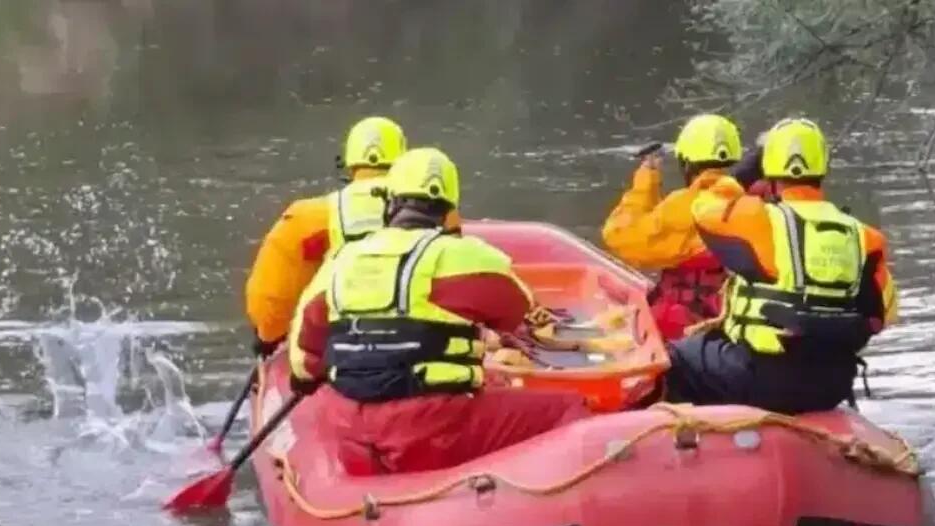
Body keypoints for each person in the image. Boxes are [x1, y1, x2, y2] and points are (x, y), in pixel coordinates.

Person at [288, 147, 589, 475]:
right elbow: (521, 315)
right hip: (429, 429)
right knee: (568, 409)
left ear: (390, 204)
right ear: (450, 212)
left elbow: (305, 360)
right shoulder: (468, 257)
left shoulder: (340, 261)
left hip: (349, 428)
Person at [664, 118, 898, 414]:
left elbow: (702, 208)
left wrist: (743, 173)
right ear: (823, 167)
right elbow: (886, 312)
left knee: (675, 358)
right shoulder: (865, 237)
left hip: (763, 379)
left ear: (769, 169)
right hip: (833, 384)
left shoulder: (759, 220)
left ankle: (693, 446)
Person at [244, 116, 408, 358]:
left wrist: (268, 338)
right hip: (413, 342)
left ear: (349, 164)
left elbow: (270, 298)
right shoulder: (435, 214)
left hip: (338, 348)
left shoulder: (307, 220)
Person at [601, 114, 743, 340]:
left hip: (684, 323)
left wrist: (646, 178)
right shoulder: (749, 202)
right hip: (729, 319)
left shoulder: (685, 205)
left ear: (686, 162)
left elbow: (620, 236)